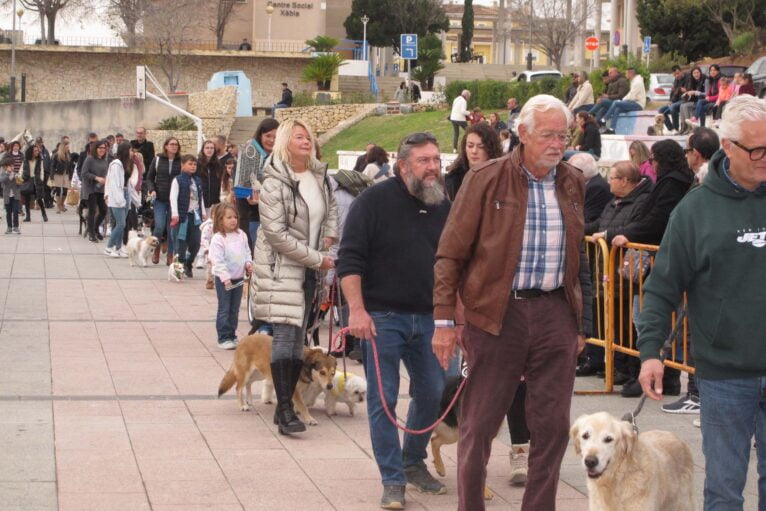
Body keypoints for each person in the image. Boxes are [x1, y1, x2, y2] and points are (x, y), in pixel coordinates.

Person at [432, 95, 591, 510]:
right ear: (522, 134)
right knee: (479, 425)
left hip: (556, 312)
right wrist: (445, 321)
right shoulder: (485, 178)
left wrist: (581, 324)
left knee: (553, 428)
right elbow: (450, 253)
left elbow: (581, 257)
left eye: (564, 134)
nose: (558, 143)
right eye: (548, 135)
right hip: (496, 315)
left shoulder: (573, 180)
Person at [636, 94, 766, 509]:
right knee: (724, 489)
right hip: (725, 375)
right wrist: (650, 351)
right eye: (757, 148)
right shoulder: (694, 211)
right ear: (727, 146)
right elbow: (662, 287)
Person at [339, 131, 450, 509]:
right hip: (381, 318)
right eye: (424, 161)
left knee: (434, 391)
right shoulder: (371, 202)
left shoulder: (442, 203)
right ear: (403, 166)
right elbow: (349, 260)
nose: (433, 167)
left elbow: (455, 263)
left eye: (436, 159)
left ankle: (412, 458)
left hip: (431, 318)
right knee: (382, 399)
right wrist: (356, 310)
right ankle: (392, 479)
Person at [252, 119, 337, 436]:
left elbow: (331, 213)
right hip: (281, 270)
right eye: (299, 136)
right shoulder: (275, 182)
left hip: (311, 269)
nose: (307, 141)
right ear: (285, 142)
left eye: (309, 136)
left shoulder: (319, 176)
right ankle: (285, 408)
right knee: (286, 339)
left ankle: (284, 406)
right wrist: (318, 258)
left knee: (299, 339)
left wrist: (329, 237)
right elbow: (276, 234)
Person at [596, 139, 694, 397]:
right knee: (649, 316)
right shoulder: (673, 181)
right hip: (659, 255)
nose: (651, 164)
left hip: (661, 258)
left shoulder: (672, 184)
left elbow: (656, 220)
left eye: (653, 160)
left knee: (648, 317)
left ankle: (662, 375)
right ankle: (660, 373)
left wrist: (625, 232)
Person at [579, 160, 651, 378]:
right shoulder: (614, 202)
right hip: (606, 272)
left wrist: (608, 236)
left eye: (612, 177)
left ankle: (628, 368)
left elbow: (630, 228)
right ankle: (616, 365)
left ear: (625, 181)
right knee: (612, 321)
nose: (609, 181)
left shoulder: (640, 202)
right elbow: (600, 225)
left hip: (626, 274)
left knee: (627, 324)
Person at [209, 203, 253, 350]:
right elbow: (217, 260)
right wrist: (225, 278)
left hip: (239, 277)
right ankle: (223, 337)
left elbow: (247, 251)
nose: (233, 220)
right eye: (229, 217)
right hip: (224, 280)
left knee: (234, 309)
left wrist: (248, 263)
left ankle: (232, 335)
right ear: (220, 220)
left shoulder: (241, 235)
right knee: (224, 307)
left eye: (235, 217)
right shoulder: (218, 238)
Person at [234, 118, 279, 250]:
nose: (271, 140)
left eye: (276, 137)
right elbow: (240, 184)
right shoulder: (249, 155)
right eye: (268, 136)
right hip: (252, 215)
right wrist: (249, 197)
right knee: (255, 254)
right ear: (260, 135)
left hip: (276, 216)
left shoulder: (282, 158)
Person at [146, 137, 182, 265]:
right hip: (160, 199)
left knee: (172, 229)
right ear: (166, 146)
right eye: (171, 144)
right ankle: (156, 249)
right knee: (159, 226)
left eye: (176, 145)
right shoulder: (158, 160)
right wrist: (152, 189)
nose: (174, 146)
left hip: (175, 200)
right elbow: (149, 178)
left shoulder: (181, 161)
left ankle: (170, 254)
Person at [445, 122, 503, 201]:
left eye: (481, 147)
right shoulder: (454, 178)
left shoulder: (502, 178)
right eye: (470, 146)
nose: (474, 151)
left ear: (491, 149)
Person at [170, 155, 206, 278]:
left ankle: (189, 263)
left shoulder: (198, 180)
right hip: (182, 216)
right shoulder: (178, 180)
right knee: (180, 244)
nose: (193, 166)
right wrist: (175, 213)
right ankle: (178, 269)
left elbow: (200, 197)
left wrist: (203, 212)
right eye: (190, 164)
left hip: (195, 216)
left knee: (196, 242)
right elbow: (173, 197)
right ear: (183, 165)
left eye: (195, 164)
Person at [103, 142, 133, 258]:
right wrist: (120, 200)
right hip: (117, 197)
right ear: (125, 151)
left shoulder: (126, 164)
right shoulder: (116, 164)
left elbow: (127, 183)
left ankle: (118, 248)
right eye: (130, 150)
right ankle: (109, 247)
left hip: (125, 194)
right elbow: (114, 183)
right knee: (121, 224)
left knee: (122, 224)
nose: (132, 153)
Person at [600, 67, 647, 134]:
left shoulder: (637, 82)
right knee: (618, 108)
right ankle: (612, 129)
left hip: (638, 105)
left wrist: (622, 101)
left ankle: (604, 118)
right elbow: (630, 95)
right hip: (633, 102)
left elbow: (631, 96)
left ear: (631, 73)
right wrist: (622, 101)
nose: (625, 75)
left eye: (626, 73)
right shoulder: (634, 81)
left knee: (616, 102)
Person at [570, 152, 612, 225]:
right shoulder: (593, 182)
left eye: (570, 171)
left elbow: (587, 217)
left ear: (580, 172)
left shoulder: (595, 188)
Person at [80, 140, 109, 242]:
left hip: (100, 189)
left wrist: (106, 179)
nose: (102, 150)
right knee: (92, 210)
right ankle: (91, 234)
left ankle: (95, 228)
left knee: (104, 210)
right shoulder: (90, 159)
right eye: (100, 148)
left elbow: (106, 174)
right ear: (95, 149)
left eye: (104, 148)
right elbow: (84, 173)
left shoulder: (105, 161)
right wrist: (96, 178)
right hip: (90, 188)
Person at [21, 144, 48, 223]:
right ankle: (28, 216)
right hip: (27, 180)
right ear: (31, 152)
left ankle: (44, 214)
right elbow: (21, 169)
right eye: (35, 151)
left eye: (37, 150)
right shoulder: (26, 160)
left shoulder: (39, 160)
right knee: (27, 199)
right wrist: (20, 178)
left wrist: (41, 179)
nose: (37, 152)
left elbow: (42, 170)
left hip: (36, 180)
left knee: (39, 198)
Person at [659, 65, 690, 133]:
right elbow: (673, 92)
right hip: (676, 101)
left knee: (673, 107)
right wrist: (670, 101)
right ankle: (671, 128)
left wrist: (687, 90)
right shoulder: (676, 80)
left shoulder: (688, 77)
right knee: (661, 110)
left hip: (685, 100)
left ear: (681, 71)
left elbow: (690, 88)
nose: (676, 75)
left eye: (678, 73)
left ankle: (676, 128)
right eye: (675, 74)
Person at [677, 67, 706, 135]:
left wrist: (694, 92)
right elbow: (689, 91)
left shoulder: (704, 80)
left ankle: (690, 128)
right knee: (682, 105)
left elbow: (703, 93)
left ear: (700, 73)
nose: (696, 74)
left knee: (684, 106)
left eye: (697, 72)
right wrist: (687, 93)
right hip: (694, 100)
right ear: (692, 74)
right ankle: (684, 127)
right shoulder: (691, 80)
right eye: (694, 73)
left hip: (700, 101)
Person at [197, 140, 221, 211]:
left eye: (211, 148)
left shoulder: (218, 165)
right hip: (200, 201)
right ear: (203, 150)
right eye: (207, 148)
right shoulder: (197, 164)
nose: (209, 150)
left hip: (215, 202)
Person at [51, 137, 74, 214]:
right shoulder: (57, 154)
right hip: (58, 174)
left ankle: (62, 204)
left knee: (65, 190)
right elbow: (53, 166)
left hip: (66, 175)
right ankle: (58, 206)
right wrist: (52, 176)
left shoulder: (68, 154)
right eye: (67, 146)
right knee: (58, 191)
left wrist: (71, 176)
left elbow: (71, 166)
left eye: (68, 146)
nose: (68, 147)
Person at [0, 154, 21, 234]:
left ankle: (16, 227)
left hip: (15, 196)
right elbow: (2, 181)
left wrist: (18, 178)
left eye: (12, 166)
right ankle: (9, 227)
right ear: (6, 167)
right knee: (8, 212)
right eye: (10, 166)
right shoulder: (3, 174)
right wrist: (9, 175)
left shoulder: (16, 173)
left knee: (16, 211)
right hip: (7, 196)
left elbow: (19, 184)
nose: (12, 167)